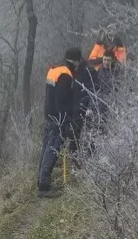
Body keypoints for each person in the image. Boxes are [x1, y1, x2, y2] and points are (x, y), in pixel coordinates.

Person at [37, 47, 82, 198]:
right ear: (75, 60)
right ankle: (44, 187)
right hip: (58, 118)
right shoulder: (65, 75)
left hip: (49, 115)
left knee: (45, 148)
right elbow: (62, 100)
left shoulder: (54, 70)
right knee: (53, 150)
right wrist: (67, 118)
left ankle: (41, 181)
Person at [67, 56, 98, 163]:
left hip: (86, 110)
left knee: (89, 136)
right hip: (75, 110)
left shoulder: (90, 72)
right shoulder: (71, 72)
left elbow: (94, 91)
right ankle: (74, 162)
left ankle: (91, 162)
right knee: (74, 138)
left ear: (78, 60)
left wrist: (90, 108)